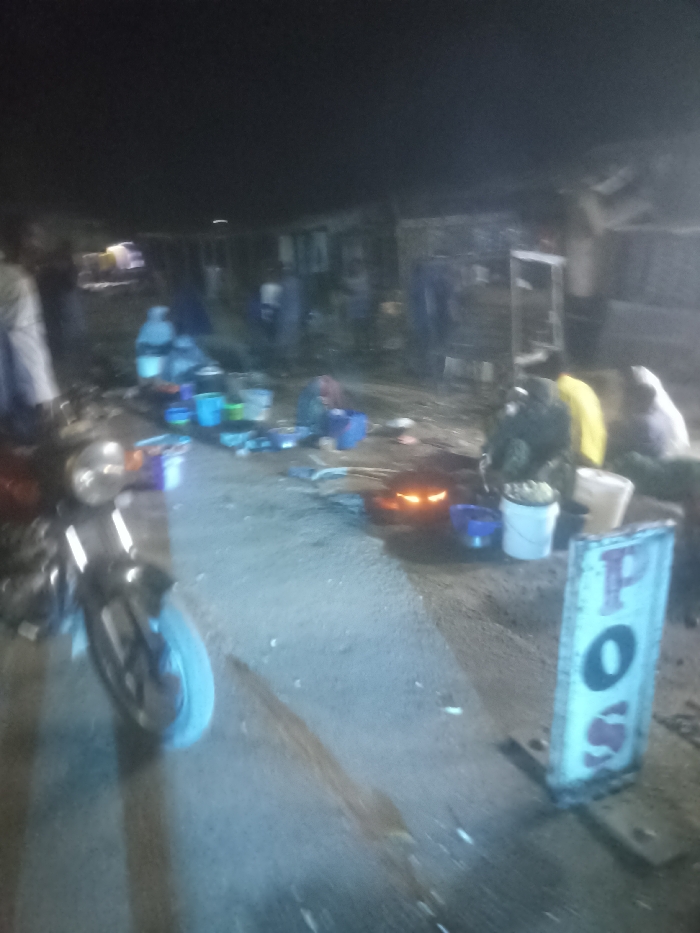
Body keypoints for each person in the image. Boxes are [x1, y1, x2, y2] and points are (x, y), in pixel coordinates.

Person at [0, 214, 59, 439]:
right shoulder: (14, 280)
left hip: (26, 390)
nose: (41, 245)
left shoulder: (16, 276)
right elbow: (18, 342)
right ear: (23, 241)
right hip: (24, 393)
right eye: (36, 237)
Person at [484, 376, 571, 484]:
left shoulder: (560, 418)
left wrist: (548, 467)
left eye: (539, 403)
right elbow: (501, 435)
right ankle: (506, 480)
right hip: (520, 463)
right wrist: (487, 454)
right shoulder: (522, 411)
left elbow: (563, 451)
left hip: (545, 465)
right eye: (532, 400)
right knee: (518, 446)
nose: (534, 406)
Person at [538, 351, 607, 466]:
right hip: (596, 455)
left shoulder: (556, 389)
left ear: (549, 370)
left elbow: (546, 428)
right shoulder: (585, 387)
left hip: (577, 457)